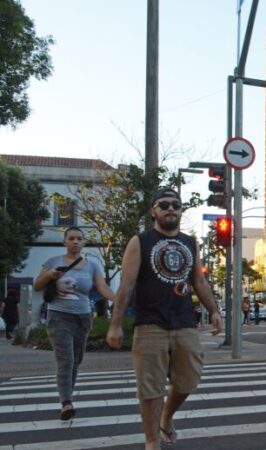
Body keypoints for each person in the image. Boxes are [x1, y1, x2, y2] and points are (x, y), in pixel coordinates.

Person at [105, 188, 222, 450]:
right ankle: (152, 442)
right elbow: (127, 285)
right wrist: (115, 325)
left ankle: (166, 416)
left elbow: (199, 281)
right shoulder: (141, 241)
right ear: (153, 211)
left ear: (181, 211)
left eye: (176, 205)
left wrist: (214, 310)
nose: (171, 209)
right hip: (150, 324)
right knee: (150, 389)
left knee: (189, 379)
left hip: (184, 322)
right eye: (164, 205)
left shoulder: (191, 242)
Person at [33, 227, 115, 421]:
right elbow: (37, 285)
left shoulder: (93, 265)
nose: (75, 242)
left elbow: (102, 287)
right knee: (66, 360)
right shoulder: (54, 262)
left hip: (83, 317)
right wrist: (49, 276)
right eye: (71, 239)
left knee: (76, 360)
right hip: (59, 316)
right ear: (65, 242)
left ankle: (67, 397)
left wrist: (118, 300)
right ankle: (66, 403)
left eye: (79, 238)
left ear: (84, 242)